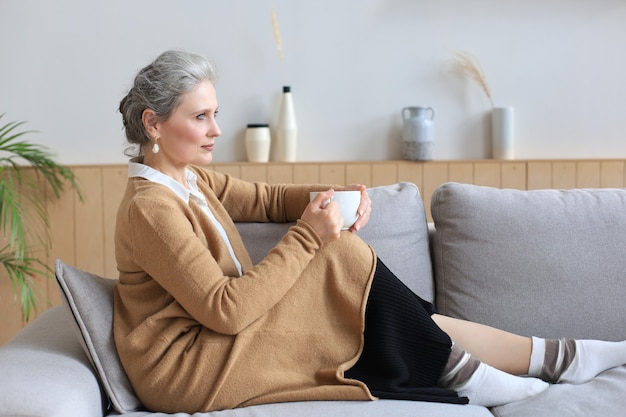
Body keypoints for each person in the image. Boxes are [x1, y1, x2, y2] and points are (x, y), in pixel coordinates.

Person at [113, 50, 626, 414]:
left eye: (215, 114)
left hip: (216, 340)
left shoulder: (190, 178)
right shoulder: (151, 208)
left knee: (353, 273)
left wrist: (333, 195)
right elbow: (226, 311)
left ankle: (548, 357)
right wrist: (312, 234)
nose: (216, 130)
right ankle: (515, 363)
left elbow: (268, 200)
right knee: (337, 258)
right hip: (188, 367)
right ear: (153, 125)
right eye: (200, 117)